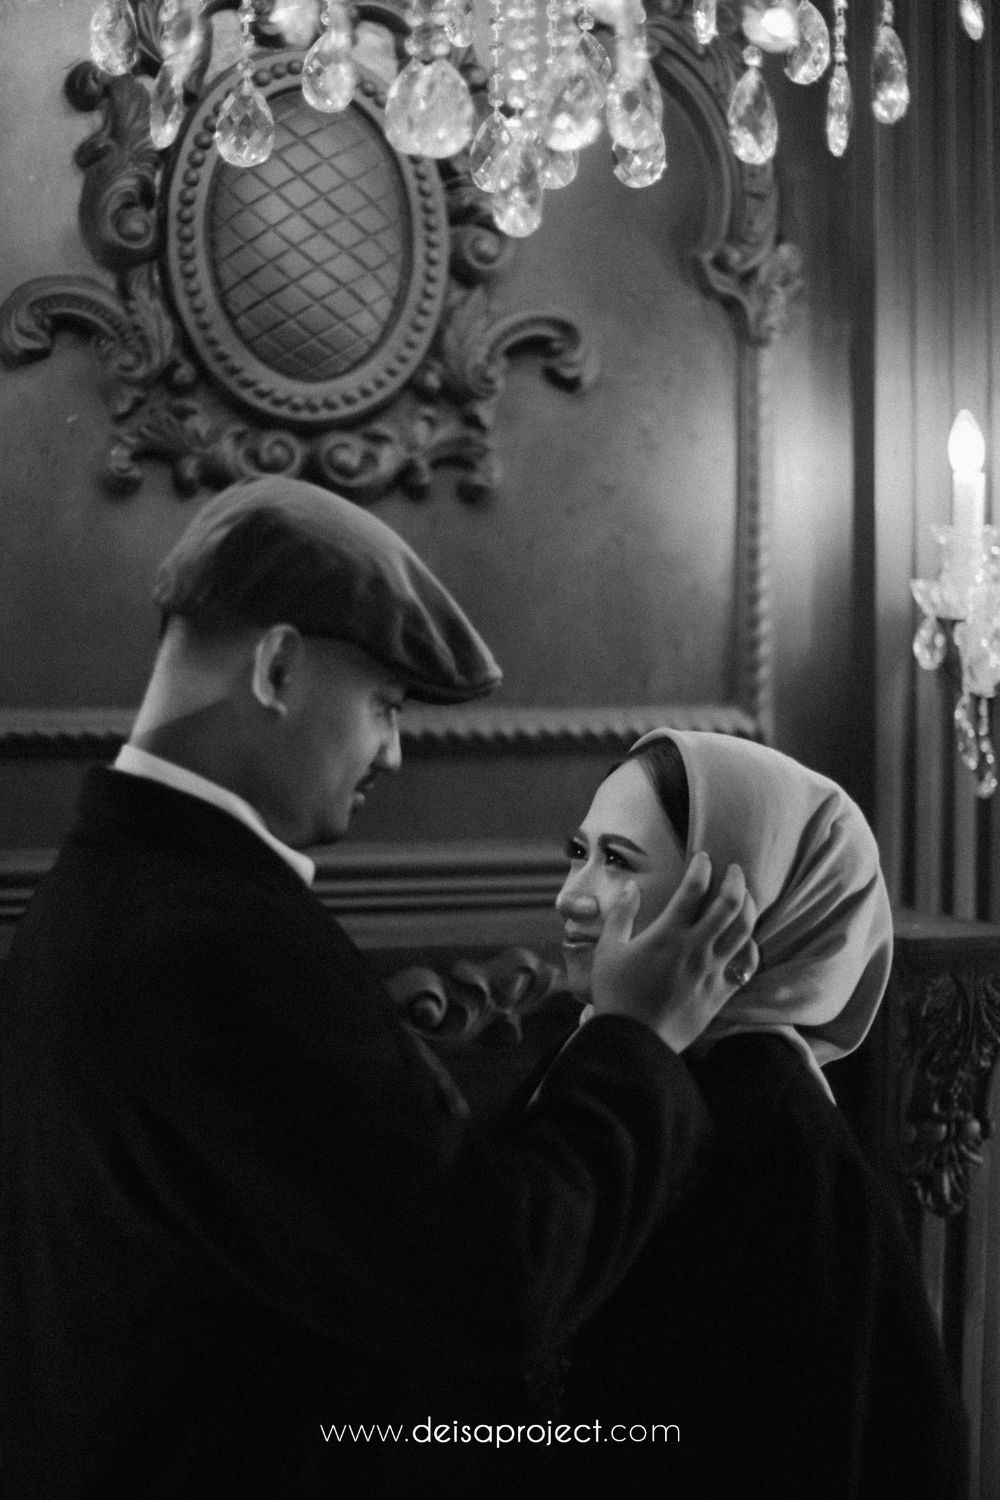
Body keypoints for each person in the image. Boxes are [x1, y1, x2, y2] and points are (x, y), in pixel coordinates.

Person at [0, 479, 759, 1497]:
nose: (394, 752)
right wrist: (639, 1036)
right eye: (385, 706)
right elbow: (494, 1287)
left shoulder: (94, 889)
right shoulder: (224, 945)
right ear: (277, 667)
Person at [554, 730, 969, 1500]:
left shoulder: (769, 1121)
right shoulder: (609, 1053)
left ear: (733, 907)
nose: (571, 897)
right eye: (578, 853)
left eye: (618, 862)